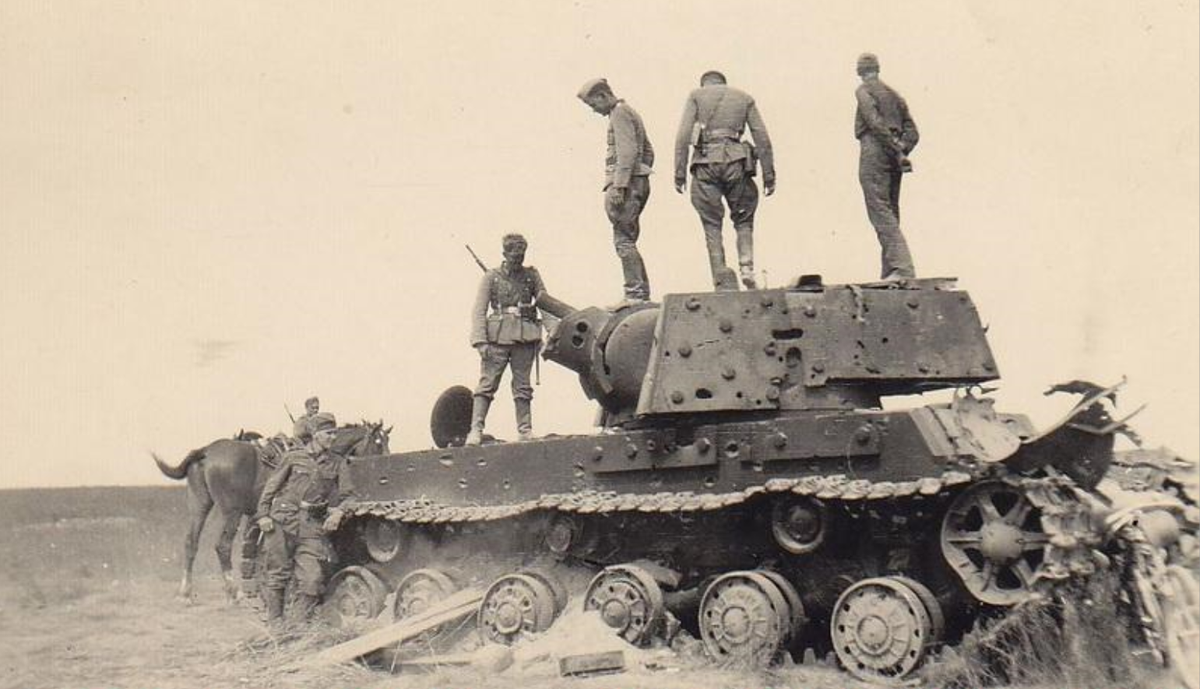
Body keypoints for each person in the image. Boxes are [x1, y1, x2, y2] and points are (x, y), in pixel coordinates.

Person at [674, 71, 775, 291]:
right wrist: (769, 175)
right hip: (737, 162)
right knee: (744, 219)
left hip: (705, 164)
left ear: (704, 83)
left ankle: (721, 278)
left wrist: (679, 173)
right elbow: (762, 137)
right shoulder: (744, 98)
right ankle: (747, 269)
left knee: (712, 224)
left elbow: (683, 136)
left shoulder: (696, 96)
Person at [255, 412, 356, 629]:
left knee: (312, 578)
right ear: (315, 434)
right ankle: (275, 625)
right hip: (282, 522)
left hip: (312, 526)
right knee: (277, 575)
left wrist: (338, 513)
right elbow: (271, 487)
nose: (333, 438)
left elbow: (350, 497)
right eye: (329, 433)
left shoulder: (338, 463)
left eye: (335, 433)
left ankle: (297, 626)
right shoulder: (293, 457)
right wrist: (263, 515)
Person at [576, 77, 655, 305]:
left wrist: (620, 185)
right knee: (628, 239)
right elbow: (648, 152)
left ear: (603, 96)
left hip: (625, 185)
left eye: (594, 104)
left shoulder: (619, 114)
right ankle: (640, 293)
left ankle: (635, 294)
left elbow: (627, 152)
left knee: (623, 241)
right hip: (637, 182)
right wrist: (640, 174)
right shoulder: (628, 112)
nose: (594, 110)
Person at [466, 233, 547, 446]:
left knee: (523, 387)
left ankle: (525, 430)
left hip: (524, 338)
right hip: (497, 339)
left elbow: (546, 304)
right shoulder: (491, 277)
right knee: (487, 385)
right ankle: (475, 430)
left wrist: (553, 334)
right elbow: (479, 310)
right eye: (514, 256)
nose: (518, 260)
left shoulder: (531, 275)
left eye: (522, 256)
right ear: (505, 254)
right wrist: (480, 341)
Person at [854, 53, 919, 280]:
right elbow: (913, 132)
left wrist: (892, 147)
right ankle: (891, 270)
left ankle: (902, 268)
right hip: (893, 155)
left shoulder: (863, 91)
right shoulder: (894, 95)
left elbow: (873, 122)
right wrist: (901, 149)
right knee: (890, 211)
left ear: (859, 71)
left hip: (874, 150)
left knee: (880, 211)